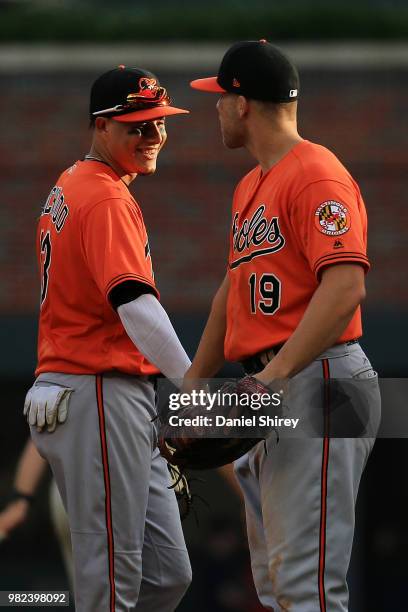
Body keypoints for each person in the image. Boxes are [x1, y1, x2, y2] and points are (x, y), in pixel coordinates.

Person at [187, 40, 381, 611]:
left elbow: (346, 287)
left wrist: (271, 381)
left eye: (220, 98)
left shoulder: (316, 173)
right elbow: (234, 289)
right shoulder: (250, 186)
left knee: (305, 583)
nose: (216, 108)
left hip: (324, 380)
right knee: (274, 585)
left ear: (241, 102)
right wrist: (196, 380)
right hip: (272, 384)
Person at [23, 65, 192, 611]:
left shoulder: (79, 184)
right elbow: (136, 306)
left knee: (167, 574)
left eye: (158, 123)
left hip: (108, 392)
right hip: (95, 390)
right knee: (111, 586)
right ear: (101, 126)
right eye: (136, 126)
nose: (152, 137)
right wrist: (194, 386)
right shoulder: (104, 197)